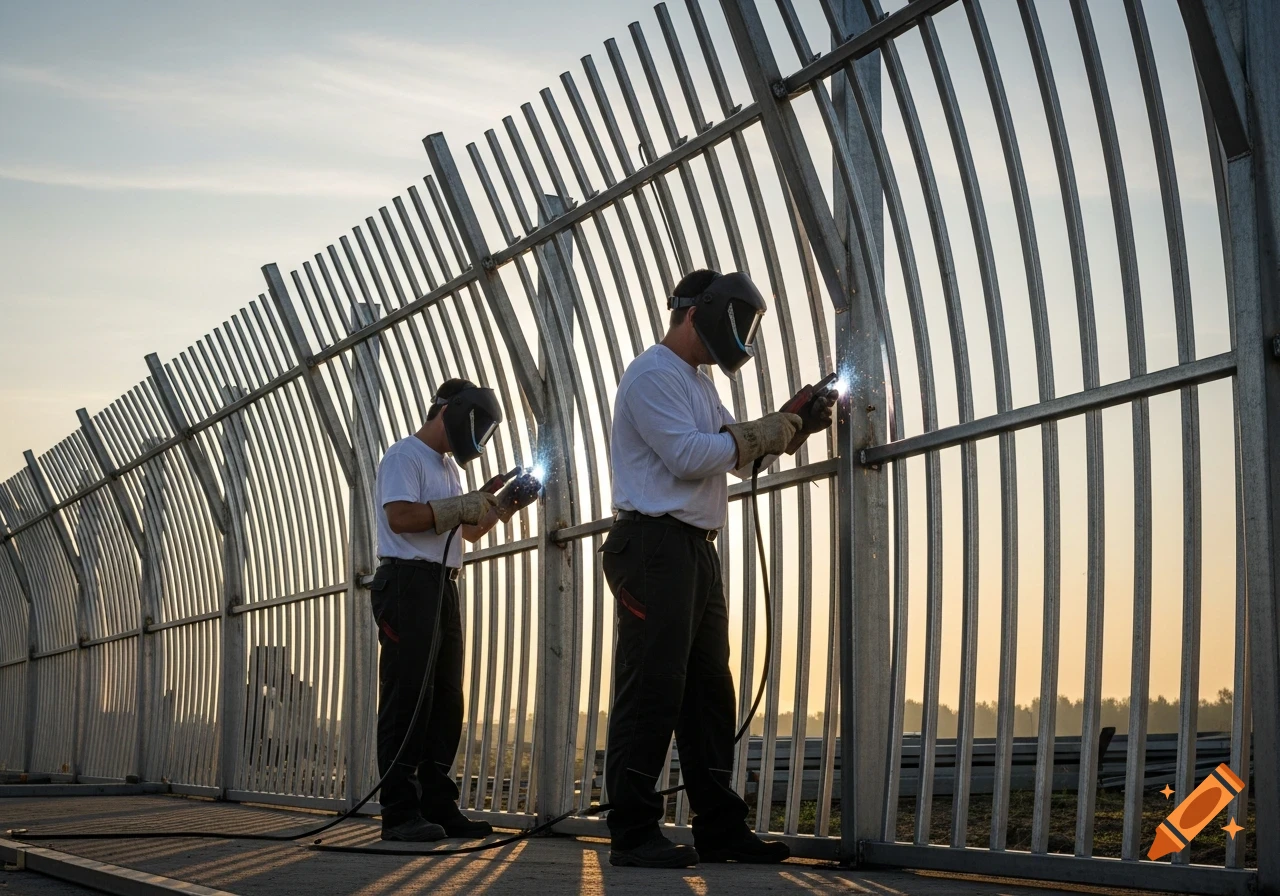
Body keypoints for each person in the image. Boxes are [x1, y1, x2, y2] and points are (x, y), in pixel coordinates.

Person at [601, 269, 836, 868]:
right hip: (652, 546)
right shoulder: (652, 373)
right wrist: (762, 431)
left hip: (691, 549)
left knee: (707, 694)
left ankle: (720, 828)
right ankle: (632, 830)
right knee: (651, 686)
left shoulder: (697, 384)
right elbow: (687, 455)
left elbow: (729, 453)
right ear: (694, 312)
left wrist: (792, 423)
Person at [370, 378, 541, 842]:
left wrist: (502, 504)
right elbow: (400, 517)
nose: (479, 436)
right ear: (451, 411)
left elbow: (468, 532)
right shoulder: (404, 455)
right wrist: (458, 505)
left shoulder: (449, 469)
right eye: (477, 424)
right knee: (409, 697)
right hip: (406, 582)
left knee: (446, 700)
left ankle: (438, 806)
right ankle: (399, 812)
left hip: (443, 585)